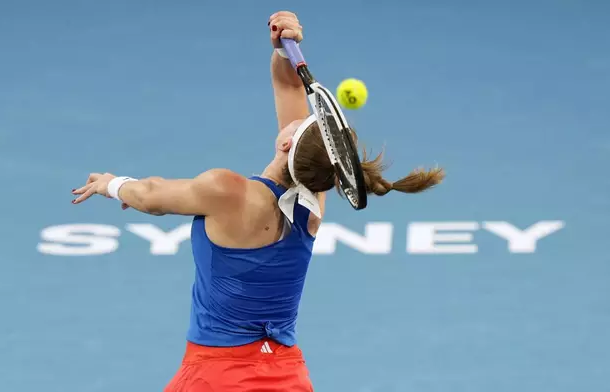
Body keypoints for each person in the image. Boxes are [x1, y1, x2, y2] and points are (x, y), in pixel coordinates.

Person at [72, 10, 444, 392]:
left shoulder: (227, 192)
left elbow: (151, 195)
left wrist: (112, 184)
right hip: (287, 377)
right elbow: (289, 92)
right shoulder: (312, 204)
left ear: (285, 143)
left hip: (214, 377)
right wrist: (286, 49)